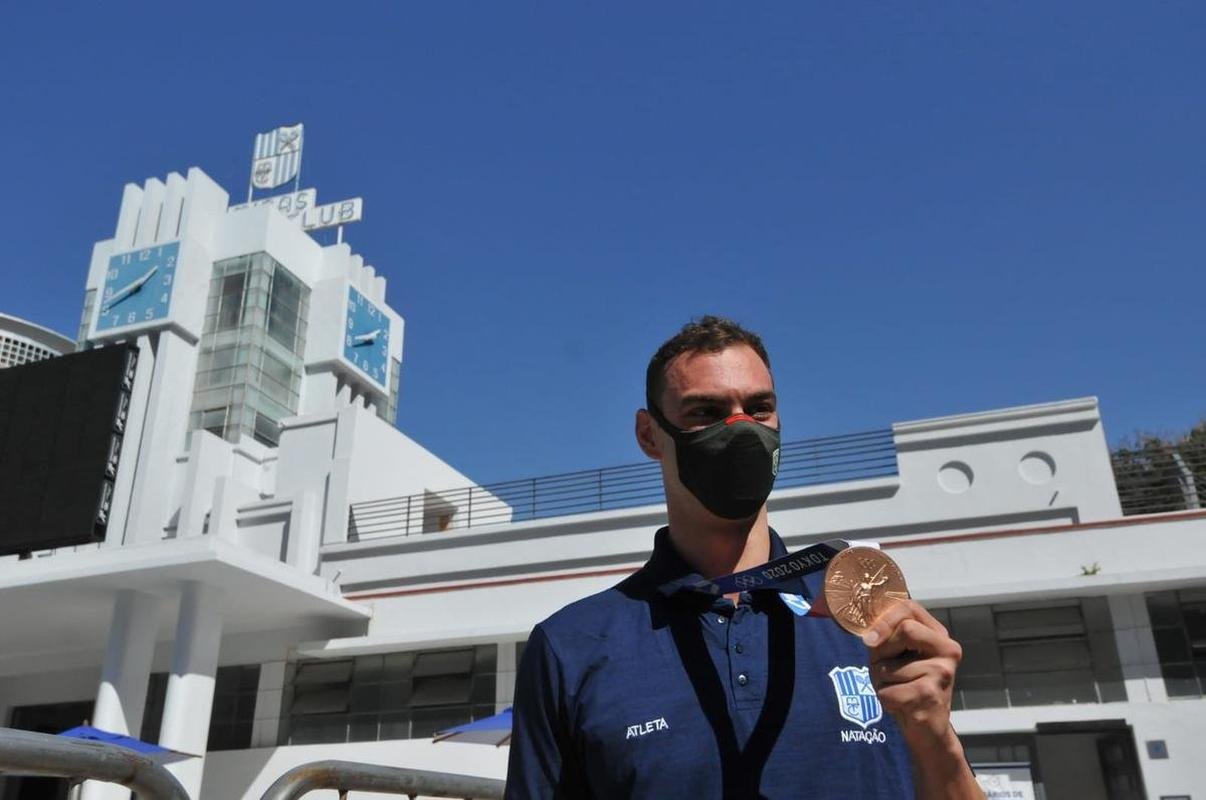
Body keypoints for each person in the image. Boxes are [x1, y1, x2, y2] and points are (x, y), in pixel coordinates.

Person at [506, 316, 983, 799]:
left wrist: (936, 740)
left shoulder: (867, 618)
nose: (740, 428)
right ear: (649, 435)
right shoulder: (573, 646)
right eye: (706, 411)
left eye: (759, 408)